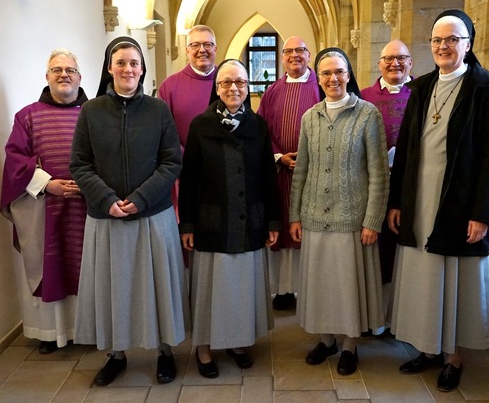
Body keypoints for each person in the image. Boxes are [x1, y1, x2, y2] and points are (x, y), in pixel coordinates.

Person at [388, 10, 489, 393]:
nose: (443, 46)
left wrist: (481, 214)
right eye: (437, 40)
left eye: (452, 39)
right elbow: (404, 150)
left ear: (468, 44)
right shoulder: (421, 87)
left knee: (451, 280)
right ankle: (427, 346)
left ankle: (452, 357)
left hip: (456, 202)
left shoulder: (483, 89)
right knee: (424, 276)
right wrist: (396, 202)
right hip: (419, 200)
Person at [70, 36, 189, 386]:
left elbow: (172, 161)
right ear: (109, 68)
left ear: (142, 69)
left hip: (153, 214)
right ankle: (116, 353)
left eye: (134, 63)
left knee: (159, 286)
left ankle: (165, 351)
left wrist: (142, 197)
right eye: (121, 62)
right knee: (113, 289)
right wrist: (107, 199)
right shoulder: (91, 111)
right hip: (107, 218)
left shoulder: (158, 110)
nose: (128, 69)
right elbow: (79, 163)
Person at [178, 59, 281, 379]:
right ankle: (205, 347)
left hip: (249, 219)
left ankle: (237, 343)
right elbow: (190, 178)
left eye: (240, 82)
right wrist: (188, 224)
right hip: (212, 221)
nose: (233, 88)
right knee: (211, 288)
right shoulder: (200, 125)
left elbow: (268, 176)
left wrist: (273, 221)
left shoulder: (258, 126)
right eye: (226, 83)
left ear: (248, 87)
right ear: (217, 88)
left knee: (240, 288)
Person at [289, 48, 388, 376]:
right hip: (315, 214)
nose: (333, 78)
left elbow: (378, 172)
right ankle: (326, 339)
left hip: (352, 217)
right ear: (318, 78)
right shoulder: (309, 117)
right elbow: (301, 169)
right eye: (326, 73)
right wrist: (295, 215)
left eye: (339, 72)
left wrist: (373, 219)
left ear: (349, 75)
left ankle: (349, 345)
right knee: (321, 283)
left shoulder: (368, 114)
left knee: (347, 285)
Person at [0, 49, 87, 355]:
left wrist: (90, 185)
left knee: (87, 265)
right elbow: (15, 160)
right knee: (53, 262)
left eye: (70, 70)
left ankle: (88, 329)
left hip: (89, 207)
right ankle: (52, 333)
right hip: (45, 206)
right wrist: (48, 184)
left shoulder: (95, 114)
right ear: (47, 76)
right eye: (56, 70)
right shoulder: (27, 116)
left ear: (80, 76)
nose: (64, 75)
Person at [257, 36, 320, 311]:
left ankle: (309, 288)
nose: (294, 55)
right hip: (280, 172)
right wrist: (279, 156)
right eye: (289, 51)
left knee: (309, 228)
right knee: (283, 227)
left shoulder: (322, 85)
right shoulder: (272, 91)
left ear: (309, 55)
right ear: (282, 57)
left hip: (314, 174)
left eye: (300, 50)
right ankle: (283, 290)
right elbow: (261, 131)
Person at [360, 40, 413, 324]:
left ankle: (403, 317)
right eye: (389, 59)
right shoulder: (364, 96)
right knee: (376, 252)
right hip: (371, 187)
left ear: (411, 63)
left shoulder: (422, 94)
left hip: (410, 188)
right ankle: (375, 317)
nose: (395, 64)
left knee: (405, 253)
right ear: (379, 64)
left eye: (401, 58)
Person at [158, 24, 218, 149]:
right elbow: (164, 132)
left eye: (207, 44)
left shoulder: (229, 83)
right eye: (195, 45)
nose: (202, 50)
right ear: (187, 50)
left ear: (215, 49)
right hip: (184, 164)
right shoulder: (169, 86)